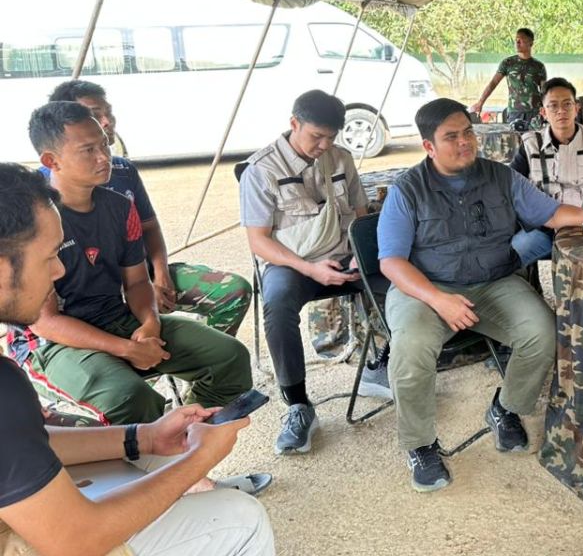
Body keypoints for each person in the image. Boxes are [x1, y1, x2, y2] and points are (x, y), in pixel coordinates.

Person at [0, 163, 275, 556]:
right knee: (241, 517)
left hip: (120, 321)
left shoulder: (116, 205)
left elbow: (29, 442)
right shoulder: (5, 387)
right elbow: (77, 540)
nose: (59, 270)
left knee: (151, 460)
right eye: (49, 258)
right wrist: (199, 459)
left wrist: (143, 436)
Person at [376, 98, 583, 491]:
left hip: (493, 281)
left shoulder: (500, 176)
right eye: (451, 137)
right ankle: (420, 444)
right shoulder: (407, 190)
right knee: (410, 347)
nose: (465, 142)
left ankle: (506, 407)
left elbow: (550, 213)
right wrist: (438, 299)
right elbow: (391, 262)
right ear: (429, 146)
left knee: (543, 332)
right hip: (426, 288)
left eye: (468, 132)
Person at [11, 103, 251, 426]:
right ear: (51, 161)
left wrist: (150, 322)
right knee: (130, 398)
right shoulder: (36, 221)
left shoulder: (120, 207)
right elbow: (45, 322)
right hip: (51, 344)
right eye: (89, 150)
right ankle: (153, 450)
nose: (104, 157)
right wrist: (126, 349)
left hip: (116, 317)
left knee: (230, 358)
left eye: (104, 145)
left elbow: (137, 282)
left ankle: (187, 433)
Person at [45, 80, 251, 336]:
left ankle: (201, 352)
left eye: (108, 112)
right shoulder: (42, 192)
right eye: (95, 115)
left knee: (233, 292)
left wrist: (161, 274)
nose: (107, 121)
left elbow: (149, 227)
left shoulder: (122, 170)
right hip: (89, 296)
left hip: (141, 273)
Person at [239, 90, 382, 456]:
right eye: (317, 136)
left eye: (331, 137)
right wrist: (309, 269)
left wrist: (360, 256)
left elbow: (361, 214)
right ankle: (298, 405)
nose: (324, 145)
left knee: (398, 276)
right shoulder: (262, 170)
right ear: (294, 123)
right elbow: (259, 241)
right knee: (277, 304)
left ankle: (379, 364)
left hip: (343, 253)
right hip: (293, 263)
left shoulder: (341, 158)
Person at [510, 78, 583, 265]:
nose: (561, 111)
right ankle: (528, 282)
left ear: (576, 108)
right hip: (543, 229)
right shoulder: (530, 145)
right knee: (508, 257)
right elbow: (513, 189)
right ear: (543, 112)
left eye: (567, 104)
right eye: (553, 106)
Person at [468, 27, 547, 127]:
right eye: (516, 40)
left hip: (535, 112)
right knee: (514, 136)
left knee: (535, 137)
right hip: (515, 112)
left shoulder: (539, 66)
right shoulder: (508, 63)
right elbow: (493, 83)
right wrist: (480, 102)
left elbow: (545, 91)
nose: (517, 43)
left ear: (530, 43)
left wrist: (547, 109)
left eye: (521, 40)